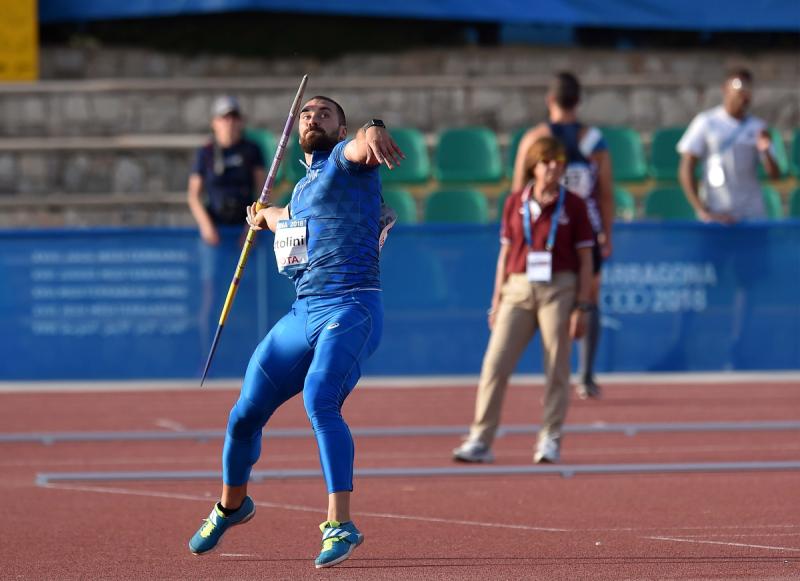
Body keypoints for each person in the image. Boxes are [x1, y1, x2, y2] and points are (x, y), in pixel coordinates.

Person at [187, 95, 403, 569]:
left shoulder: (348, 164)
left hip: (351, 307)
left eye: (325, 113)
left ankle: (339, 524)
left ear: (341, 128)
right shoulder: (304, 191)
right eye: (306, 113)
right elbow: (287, 219)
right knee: (243, 415)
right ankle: (232, 505)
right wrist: (260, 216)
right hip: (302, 313)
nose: (313, 117)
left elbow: (364, 144)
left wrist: (375, 128)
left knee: (320, 398)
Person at [452, 136, 594, 465]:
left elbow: (586, 259)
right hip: (517, 287)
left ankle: (550, 437)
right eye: (547, 162)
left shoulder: (573, 204)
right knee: (495, 363)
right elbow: (504, 254)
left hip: (559, 286)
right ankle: (481, 438)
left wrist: (582, 305)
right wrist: (496, 299)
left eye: (559, 163)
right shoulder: (515, 201)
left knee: (556, 363)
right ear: (534, 165)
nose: (554, 168)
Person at [510, 71, 613, 400]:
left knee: (548, 305)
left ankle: (557, 377)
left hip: (544, 230)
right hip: (585, 229)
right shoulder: (594, 141)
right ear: (579, 101)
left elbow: (517, 192)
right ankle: (586, 376)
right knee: (588, 298)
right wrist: (606, 235)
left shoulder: (534, 139)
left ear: (549, 100)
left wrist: (518, 236)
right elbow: (606, 193)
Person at [186, 96, 267, 349]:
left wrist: (251, 228)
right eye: (224, 118)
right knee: (210, 295)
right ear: (214, 123)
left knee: (252, 296)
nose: (229, 123)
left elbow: (263, 192)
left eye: (233, 117)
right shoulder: (206, 153)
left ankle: (249, 353)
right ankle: (206, 353)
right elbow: (193, 195)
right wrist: (206, 225)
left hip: (245, 232)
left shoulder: (251, 150)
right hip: (216, 235)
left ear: (240, 121)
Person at [677, 67, 780, 222]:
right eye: (738, 85)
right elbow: (686, 168)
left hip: (751, 213)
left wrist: (765, 151)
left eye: (748, 86)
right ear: (725, 88)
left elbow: (774, 176)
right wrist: (701, 209)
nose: (743, 91)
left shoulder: (758, 128)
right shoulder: (706, 122)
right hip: (717, 213)